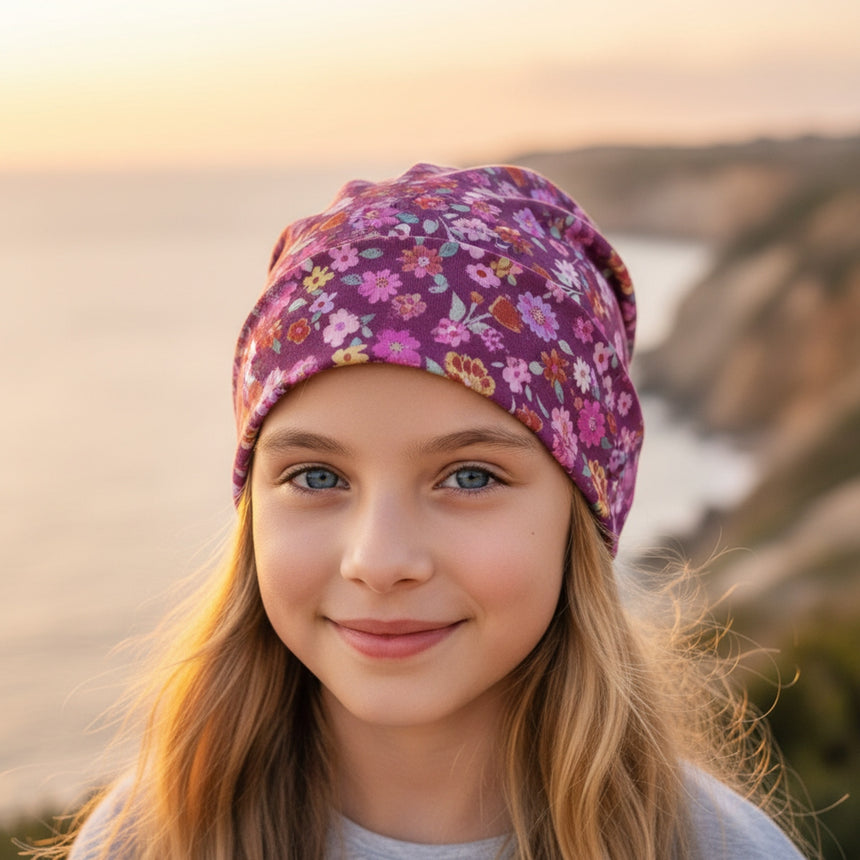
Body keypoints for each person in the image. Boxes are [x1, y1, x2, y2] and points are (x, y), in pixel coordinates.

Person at [41, 164, 810, 858]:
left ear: (585, 510)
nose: (378, 561)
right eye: (315, 476)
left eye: (470, 477)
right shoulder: (150, 838)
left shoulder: (716, 850)